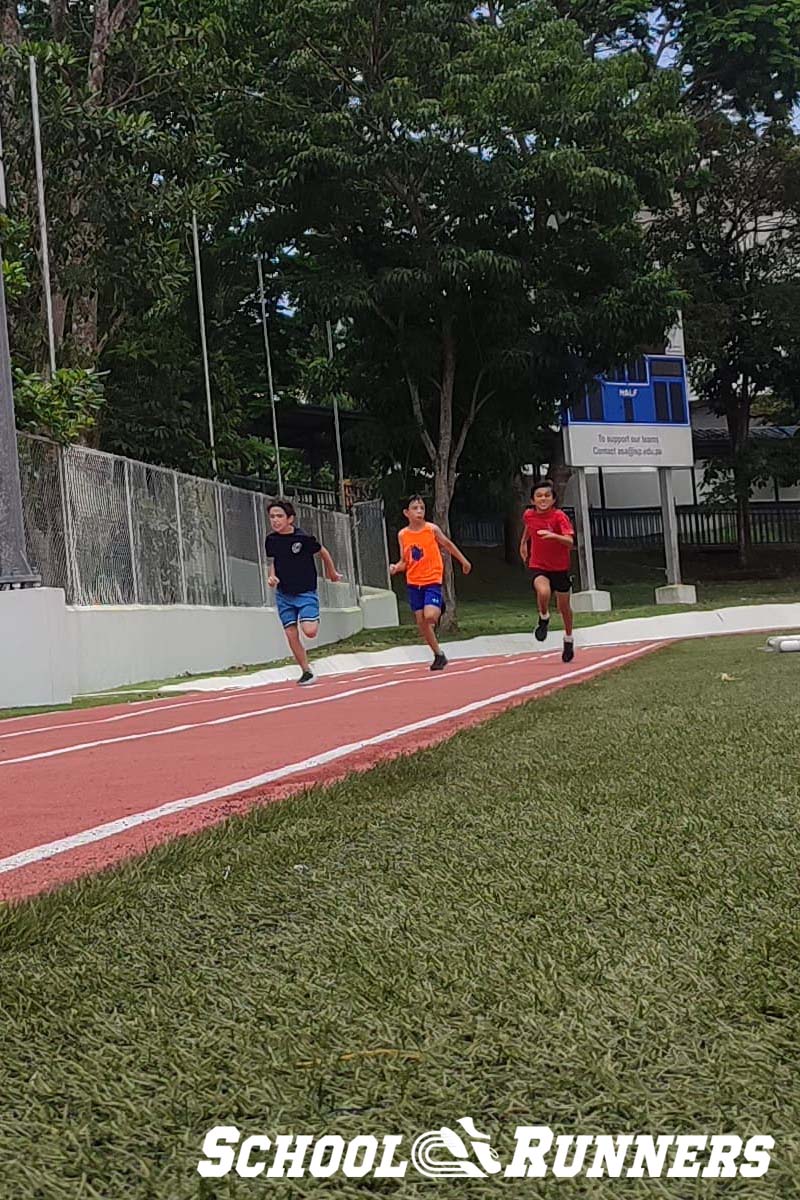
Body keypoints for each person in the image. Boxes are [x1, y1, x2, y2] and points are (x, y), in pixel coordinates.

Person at [389, 495, 472, 671]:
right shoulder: (403, 534)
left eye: (422, 508)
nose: (419, 511)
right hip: (413, 583)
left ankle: (439, 605)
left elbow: (448, 545)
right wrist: (396, 567)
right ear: (406, 513)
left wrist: (463, 561)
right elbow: (405, 560)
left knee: (430, 616)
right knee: (422, 623)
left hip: (432, 580)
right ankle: (438, 654)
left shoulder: (431, 529)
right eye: (415, 508)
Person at [265, 499, 342, 686]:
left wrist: (331, 572)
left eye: (279, 516)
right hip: (284, 594)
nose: (275, 520)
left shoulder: (302, 538)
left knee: (310, 631)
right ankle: (306, 671)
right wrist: (272, 577)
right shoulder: (271, 540)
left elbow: (322, 552)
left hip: (305, 591)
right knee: (291, 634)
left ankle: (310, 615)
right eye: (272, 517)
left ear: (290, 519)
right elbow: (273, 561)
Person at [520, 479, 576, 663]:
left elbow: (570, 542)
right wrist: (523, 544)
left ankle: (568, 639)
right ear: (532, 500)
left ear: (553, 500)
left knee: (564, 608)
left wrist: (554, 536)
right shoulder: (528, 515)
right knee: (543, 591)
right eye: (539, 496)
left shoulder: (559, 517)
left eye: (547, 496)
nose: (543, 499)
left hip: (560, 568)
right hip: (539, 565)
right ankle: (543, 617)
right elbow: (529, 527)